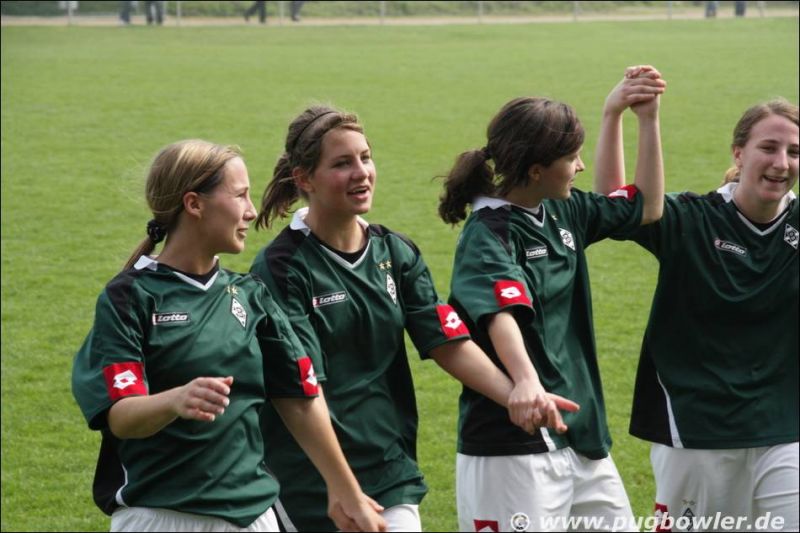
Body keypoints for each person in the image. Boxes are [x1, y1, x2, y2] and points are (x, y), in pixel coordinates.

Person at [250, 106, 579, 532]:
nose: (361, 173)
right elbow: (298, 391)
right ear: (304, 179)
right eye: (342, 163)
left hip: (390, 469)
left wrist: (521, 396)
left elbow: (448, 342)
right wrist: (342, 486)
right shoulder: (281, 268)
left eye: (365, 158)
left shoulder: (394, 251)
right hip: (313, 479)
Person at [71, 139, 386, 532]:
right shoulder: (130, 297)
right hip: (159, 517)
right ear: (194, 204)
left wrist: (346, 490)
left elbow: (300, 399)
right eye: (240, 196)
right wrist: (175, 400)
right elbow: (121, 416)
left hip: (253, 518)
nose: (251, 211)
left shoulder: (251, 295)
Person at [437, 66, 666, 532]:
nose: (580, 167)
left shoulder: (561, 209)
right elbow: (500, 313)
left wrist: (634, 117)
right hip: (514, 444)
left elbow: (644, 206)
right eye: (572, 158)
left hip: (581, 437)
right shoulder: (489, 232)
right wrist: (525, 381)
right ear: (536, 170)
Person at [595, 98, 799, 531]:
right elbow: (614, 208)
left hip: (785, 427)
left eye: (794, 152)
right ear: (739, 153)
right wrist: (625, 116)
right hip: (696, 430)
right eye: (768, 148)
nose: (782, 163)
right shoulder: (691, 219)